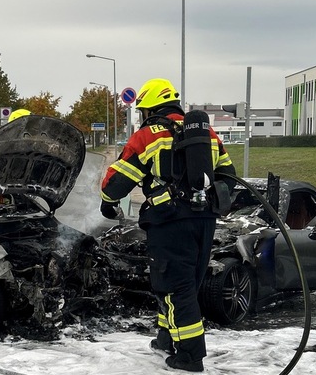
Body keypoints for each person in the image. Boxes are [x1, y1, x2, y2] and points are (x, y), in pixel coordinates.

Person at [99, 78, 236, 372]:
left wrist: (105, 201)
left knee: (175, 288)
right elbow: (229, 174)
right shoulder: (207, 134)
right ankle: (166, 339)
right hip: (204, 221)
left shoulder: (148, 135)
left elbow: (117, 181)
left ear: (150, 109)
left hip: (170, 222)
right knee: (187, 283)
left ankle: (190, 356)